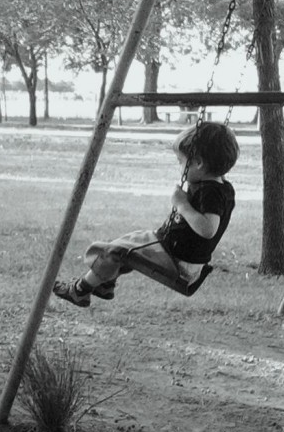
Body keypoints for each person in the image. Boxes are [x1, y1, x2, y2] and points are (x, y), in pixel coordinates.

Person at [53, 121, 238, 307]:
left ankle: (80, 290)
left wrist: (182, 205)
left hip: (178, 260)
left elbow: (208, 229)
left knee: (114, 251)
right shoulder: (220, 186)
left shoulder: (211, 192)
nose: (180, 167)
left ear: (198, 163)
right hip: (174, 249)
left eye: (181, 162)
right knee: (129, 240)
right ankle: (105, 284)